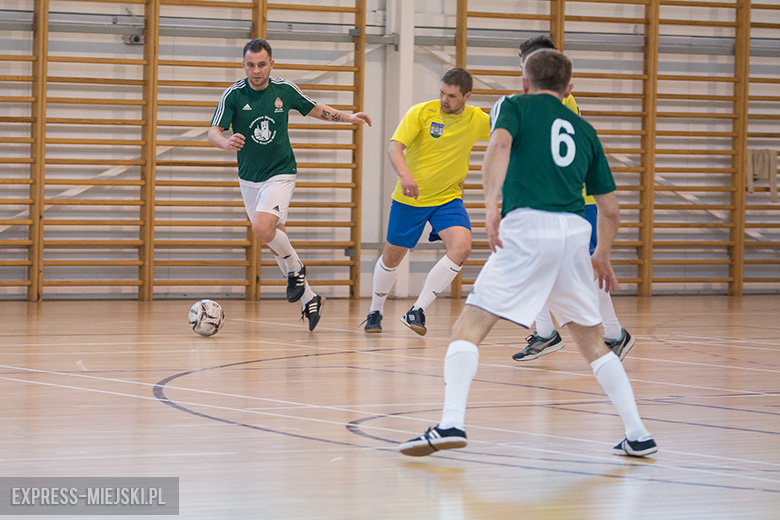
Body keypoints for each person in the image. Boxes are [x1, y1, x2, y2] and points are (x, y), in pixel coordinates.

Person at [399, 49, 657, 458]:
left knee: (469, 327)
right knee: (593, 343)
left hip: (527, 227)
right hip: (575, 234)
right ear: (569, 88)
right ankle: (639, 433)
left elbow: (499, 146)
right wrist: (602, 253)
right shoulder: (584, 129)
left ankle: (450, 422)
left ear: (524, 81)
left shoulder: (514, 107)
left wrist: (489, 207)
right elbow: (610, 207)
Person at [208, 38, 372, 331]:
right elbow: (213, 131)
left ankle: (296, 271)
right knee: (274, 237)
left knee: (261, 228)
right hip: (249, 179)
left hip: (281, 172)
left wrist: (347, 117)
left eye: (261, 64)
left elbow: (315, 108)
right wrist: (225, 142)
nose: (256, 70)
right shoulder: (233, 95)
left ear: (271, 64)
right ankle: (310, 297)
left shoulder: (284, 90)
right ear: (243, 65)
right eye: (250, 65)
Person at [511, 36, 635, 362]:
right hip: (552, 201)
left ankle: (611, 333)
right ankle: (549, 333)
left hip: (569, 202)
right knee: (543, 268)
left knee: (581, 271)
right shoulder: (545, 101)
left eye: (525, 62)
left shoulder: (552, 102)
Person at [363, 68, 490, 336]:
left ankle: (417, 310)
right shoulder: (421, 112)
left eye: (452, 96)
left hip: (447, 198)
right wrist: (406, 176)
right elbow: (395, 147)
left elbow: (508, 132)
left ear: (467, 96)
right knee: (392, 256)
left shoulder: (477, 120)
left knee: (462, 248)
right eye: (442, 93)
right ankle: (375, 309)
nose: (445, 99)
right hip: (411, 198)